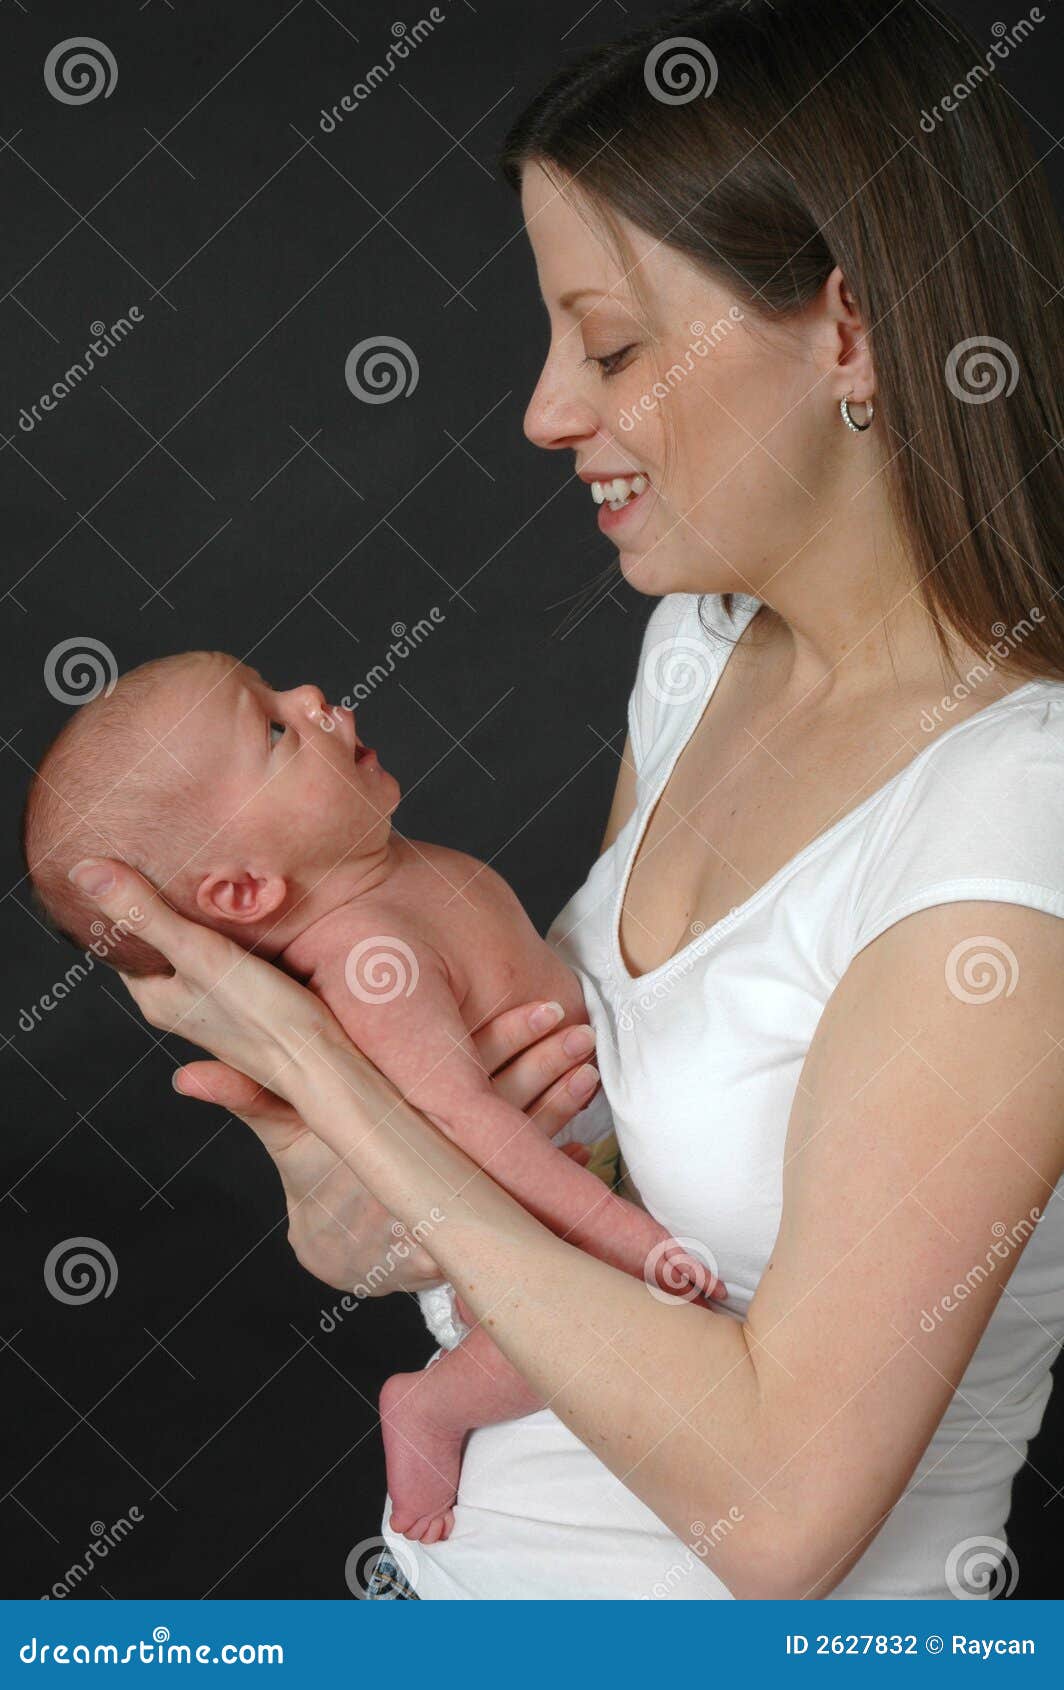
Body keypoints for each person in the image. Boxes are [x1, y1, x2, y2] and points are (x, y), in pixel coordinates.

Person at [65, 0, 1064, 1599]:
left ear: (852, 332)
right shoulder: (698, 659)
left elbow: (781, 1517)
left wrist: (322, 1067)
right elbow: (507, 1194)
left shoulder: (1018, 811)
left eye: (609, 346)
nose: (545, 409)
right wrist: (345, 1184)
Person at [22, 650, 721, 1546]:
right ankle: (434, 1404)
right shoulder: (367, 961)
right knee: (577, 1324)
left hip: (582, 1154)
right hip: (516, 1228)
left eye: (277, 687)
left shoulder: (395, 870)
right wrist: (631, 1238)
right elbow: (465, 1128)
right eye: (273, 728)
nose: (311, 697)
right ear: (245, 889)